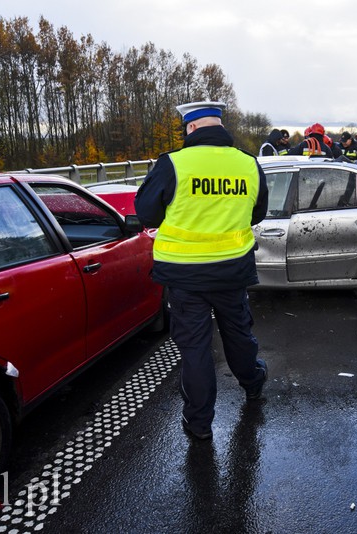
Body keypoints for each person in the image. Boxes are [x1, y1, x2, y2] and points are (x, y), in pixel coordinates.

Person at [134, 100, 269, 441]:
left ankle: (199, 424)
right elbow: (258, 212)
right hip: (232, 272)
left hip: (185, 277)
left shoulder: (173, 164)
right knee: (238, 334)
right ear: (219, 126)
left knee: (195, 349)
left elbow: (147, 213)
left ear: (191, 128)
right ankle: (253, 383)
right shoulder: (248, 164)